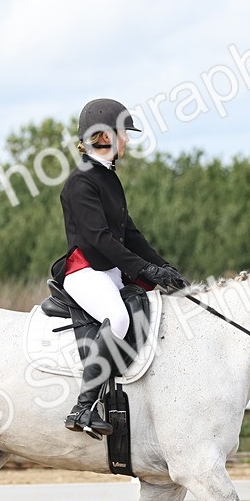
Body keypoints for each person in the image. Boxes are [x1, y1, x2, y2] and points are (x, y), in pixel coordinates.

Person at [52, 97, 188, 438]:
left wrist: (163, 268)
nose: (126, 141)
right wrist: (145, 270)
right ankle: (82, 407)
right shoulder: (81, 182)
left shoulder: (108, 178)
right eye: (121, 134)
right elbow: (100, 240)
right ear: (103, 137)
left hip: (108, 271)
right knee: (120, 318)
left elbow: (130, 234)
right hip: (85, 272)